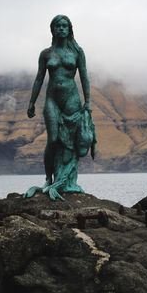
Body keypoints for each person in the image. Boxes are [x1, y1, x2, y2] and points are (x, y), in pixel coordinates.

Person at [24, 15, 96, 200]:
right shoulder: (46, 54)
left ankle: (67, 181)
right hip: (52, 100)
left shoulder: (77, 52)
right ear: (53, 29)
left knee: (70, 143)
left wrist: (87, 102)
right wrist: (32, 102)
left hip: (71, 99)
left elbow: (85, 77)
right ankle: (49, 179)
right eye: (58, 26)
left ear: (69, 29)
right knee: (53, 140)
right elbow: (39, 78)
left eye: (65, 26)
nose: (61, 29)